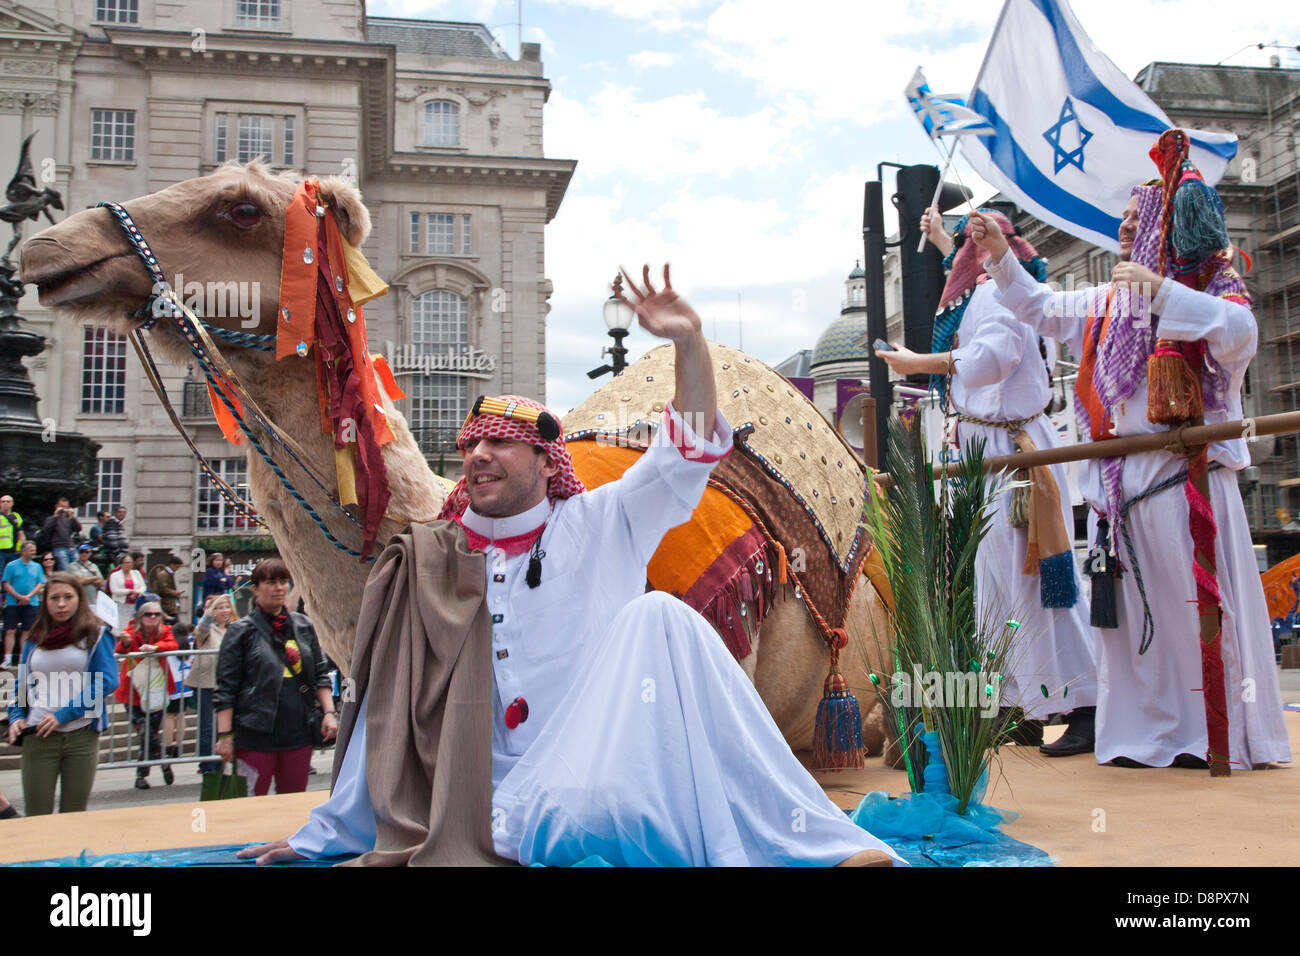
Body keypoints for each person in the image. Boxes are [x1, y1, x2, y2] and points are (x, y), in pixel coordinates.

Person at [242, 265, 903, 867]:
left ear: (544, 461)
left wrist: (690, 342)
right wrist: (321, 839)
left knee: (659, 619)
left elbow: (690, 446)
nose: (478, 457)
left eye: (502, 443)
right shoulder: (430, 559)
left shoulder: (602, 522)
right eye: (472, 446)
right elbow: (387, 705)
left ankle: (812, 846)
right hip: (485, 810)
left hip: (598, 782)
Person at [970, 129, 1292, 771]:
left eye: (1135, 218)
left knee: (1188, 616)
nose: (1122, 226)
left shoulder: (1210, 287)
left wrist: (1161, 293)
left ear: (1166, 228)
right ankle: (1144, 739)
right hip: (1118, 491)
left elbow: (1240, 334)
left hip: (1185, 481)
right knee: (1130, 632)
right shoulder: (1108, 301)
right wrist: (1001, 253)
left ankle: (1206, 737)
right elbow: (1038, 305)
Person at [880, 207, 1099, 756]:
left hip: (1011, 455)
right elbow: (963, 269)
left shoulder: (1002, 292)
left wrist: (918, 365)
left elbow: (990, 360)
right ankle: (1022, 706)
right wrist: (935, 235)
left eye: (965, 242)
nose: (957, 254)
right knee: (993, 584)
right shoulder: (990, 285)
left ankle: (1087, 704)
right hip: (987, 450)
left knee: (1036, 581)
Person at [214, 559, 337, 796]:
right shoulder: (241, 631)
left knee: (291, 809)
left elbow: (320, 674)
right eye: (271, 582)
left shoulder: (303, 625)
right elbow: (226, 689)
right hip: (254, 734)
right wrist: (225, 736)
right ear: (256, 589)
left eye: (283, 581)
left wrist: (329, 713)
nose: (279, 587)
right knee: (250, 805)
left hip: (298, 732)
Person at [6, 572, 119, 815]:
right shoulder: (33, 640)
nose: (61, 604)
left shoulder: (97, 635)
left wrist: (64, 715)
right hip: (38, 735)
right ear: (44, 602)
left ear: (79, 599)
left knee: (74, 816)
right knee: (37, 816)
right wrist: (16, 717)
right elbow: (22, 686)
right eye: (54, 598)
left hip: (81, 735)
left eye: (68, 597)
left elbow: (107, 682)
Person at [114, 601, 179, 789]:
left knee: (150, 733)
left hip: (156, 689)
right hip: (133, 690)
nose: (153, 617)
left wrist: (156, 647)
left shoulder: (164, 630)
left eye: (157, 614)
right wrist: (126, 641)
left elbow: (172, 644)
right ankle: (162, 762)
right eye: (148, 614)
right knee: (146, 733)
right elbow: (120, 649)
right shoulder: (132, 630)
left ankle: (142, 774)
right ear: (140, 616)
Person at [187, 593, 234, 774]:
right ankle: (208, 766)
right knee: (208, 726)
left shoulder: (234, 629)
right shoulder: (207, 630)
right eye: (219, 608)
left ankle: (223, 763)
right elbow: (202, 627)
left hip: (228, 684)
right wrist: (210, 608)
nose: (223, 611)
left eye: (226, 607)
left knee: (225, 726)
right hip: (207, 684)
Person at [3, 541, 45, 667]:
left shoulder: (37, 566)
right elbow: (6, 584)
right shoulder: (11, 566)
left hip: (31, 603)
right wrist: (18, 597)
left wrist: (29, 596)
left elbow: (40, 583)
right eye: (31, 550)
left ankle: (23, 658)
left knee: (27, 631)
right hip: (13, 603)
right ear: (23, 551)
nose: (33, 552)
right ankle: (8, 658)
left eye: (34, 550)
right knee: (10, 630)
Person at [163, 621, 195, 767]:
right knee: (181, 715)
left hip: (172, 683)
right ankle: (178, 746)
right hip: (186, 683)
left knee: (170, 715)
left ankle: (168, 746)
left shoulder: (171, 644)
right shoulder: (190, 643)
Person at [38, 498, 82, 571]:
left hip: (70, 546)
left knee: (78, 568)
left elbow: (78, 528)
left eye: (66, 507)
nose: (64, 509)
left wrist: (73, 517)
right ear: (57, 506)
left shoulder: (69, 518)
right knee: (65, 569)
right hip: (59, 547)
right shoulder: (51, 518)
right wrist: (55, 516)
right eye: (62, 507)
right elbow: (46, 529)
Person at [107, 554, 145, 636]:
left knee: (133, 627)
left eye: (131, 562)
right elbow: (114, 590)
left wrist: (137, 593)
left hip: (134, 604)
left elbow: (143, 587)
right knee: (120, 627)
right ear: (121, 564)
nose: (129, 565)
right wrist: (129, 591)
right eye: (127, 562)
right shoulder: (114, 575)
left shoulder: (136, 573)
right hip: (121, 604)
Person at [148, 555, 185, 623]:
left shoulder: (169, 574)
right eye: (177, 567)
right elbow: (163, 590)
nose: (177, 569)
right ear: (172, 565)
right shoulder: (163, 574)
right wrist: (175, 592)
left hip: (171, 606)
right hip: (167, 606)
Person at [0, 494, 25, 575]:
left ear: (12, 503)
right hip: (1, 551)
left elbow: (20, 533)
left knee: (13, 574)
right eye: (3, 501)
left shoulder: (16, 516)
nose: (5, 503)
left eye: (8, 501)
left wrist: (24, 548)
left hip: (14, 551)